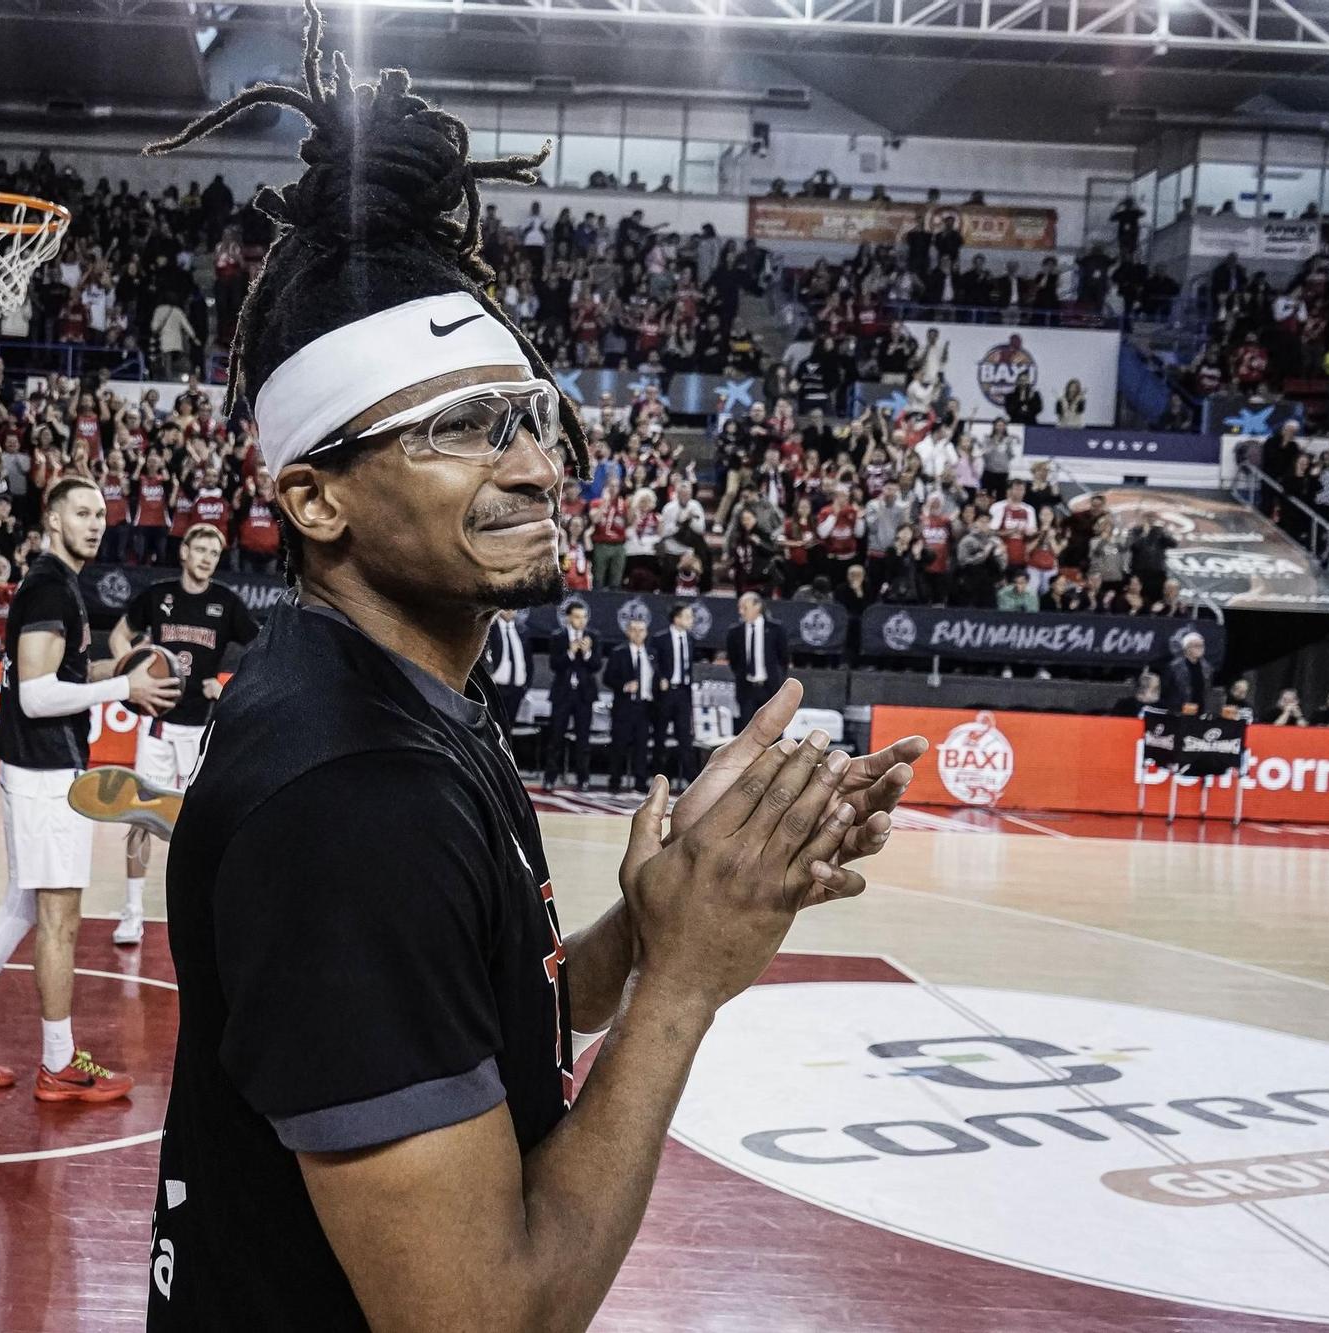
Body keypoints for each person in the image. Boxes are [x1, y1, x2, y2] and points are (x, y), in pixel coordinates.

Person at [138, 21, 926, 1322]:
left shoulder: (397, 689)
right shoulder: (354, 799)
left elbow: (476, 1011)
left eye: (525, 416)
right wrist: (685, 983)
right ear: (314, 498)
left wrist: (655, 921)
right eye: (454, 426)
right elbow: (482, 1314)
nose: (532, 467)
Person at [0, 476, 179, 1100]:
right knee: (60, 921)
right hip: (44, 771)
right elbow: (37, 698)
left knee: (19, 907)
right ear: (53, 518)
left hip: (34, 767)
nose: (96, 523)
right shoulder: (48, 586)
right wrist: (125, 690)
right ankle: (59, 1064)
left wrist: (112, 667)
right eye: (82, 513)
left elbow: (56, 674)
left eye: (101, 514)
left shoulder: (57, 584)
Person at [101, 523, 258, 944]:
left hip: (202, 730)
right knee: (140, 815)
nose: (207, 557)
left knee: (203, 824)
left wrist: (226, 683)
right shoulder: (158, 595)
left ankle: (204, 913)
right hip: (157, 723)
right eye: (201, 549)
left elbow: (262, 649)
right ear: (184, 552)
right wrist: (131, 669)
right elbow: (119, 636)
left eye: (215, 551)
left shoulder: (226, 603)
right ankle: (131, 912)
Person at [543, 600, 598, 791]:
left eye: (584, 617)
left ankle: (583, 779)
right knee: (556, 737)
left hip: (584, 695)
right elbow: (554, 665)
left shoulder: (593, 636)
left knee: (583, 739)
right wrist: (570, 652)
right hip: (562, 694)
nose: (581, 621)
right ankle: (550, 777)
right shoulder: (558, 637)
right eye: (577, 617)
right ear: (568, 618)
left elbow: (596, 666)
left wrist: (588, 652)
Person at [649, 601, 700, 791]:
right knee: (660, 735)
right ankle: (657, 777)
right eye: (687, 616)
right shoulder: (660, 638)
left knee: (684, 736)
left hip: (683, 693)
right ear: (676, 618)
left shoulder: (690, 639)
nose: (691, 620)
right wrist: (660, 678)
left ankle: (690, 778)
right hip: (665, 693)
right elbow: (652, 661)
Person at [602, 616, 656, 792]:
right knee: (619, 745)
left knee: (642, 746)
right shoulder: (619, 652)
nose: (638, 634)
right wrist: (624, 686)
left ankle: (640, 782)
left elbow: (656, 676)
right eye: (634, 630)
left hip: (645, 707)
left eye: (641, 630)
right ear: (627, 632)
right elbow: (607, 678)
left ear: (646, 633)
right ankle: (615, 781)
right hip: (624, 707)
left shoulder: (652, 654)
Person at [725, 591, 786, 727]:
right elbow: (733, 660)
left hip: (769, 688)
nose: (741, 612)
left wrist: (777, 679)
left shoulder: (775, 629)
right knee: (747, 729)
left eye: (744, 608)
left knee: (772, 727)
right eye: (739, 608)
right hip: (746, 688)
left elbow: (783, 658)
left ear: (757, 606)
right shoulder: (735, 632)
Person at [482, 608, 531, 738]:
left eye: (514, 608)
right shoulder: (491, 629)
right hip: (497, 688)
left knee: (509, 728)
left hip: (517, 688)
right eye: (507, 607)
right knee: (494, 728)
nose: (510, 611)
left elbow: (528, 661)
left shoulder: (522, 631)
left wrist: (525, 686)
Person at [1161, 632, 1213, 714]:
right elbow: (1165, 689)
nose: (1200, 648)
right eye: (1196, 646)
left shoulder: (1207, 667)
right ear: (1186, 648)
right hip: (1179, 710)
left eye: (1202, 645)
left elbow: (1207, 690)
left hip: (1200, 710)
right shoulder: (1174, 667)